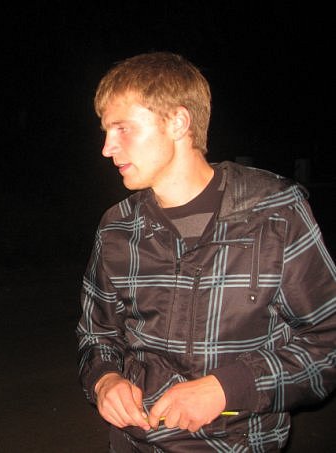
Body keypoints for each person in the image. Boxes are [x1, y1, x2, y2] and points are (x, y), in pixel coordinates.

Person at [76, 51, 336, 452]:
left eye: (122, 128)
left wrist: (228, 388)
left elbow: (327, 343)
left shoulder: (274, 214)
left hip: (236, 444)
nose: (107, 148)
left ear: (178, 122)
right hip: (133, 443)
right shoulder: (117, 227)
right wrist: (105, 379)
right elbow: (97, 335)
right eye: (106, 131)